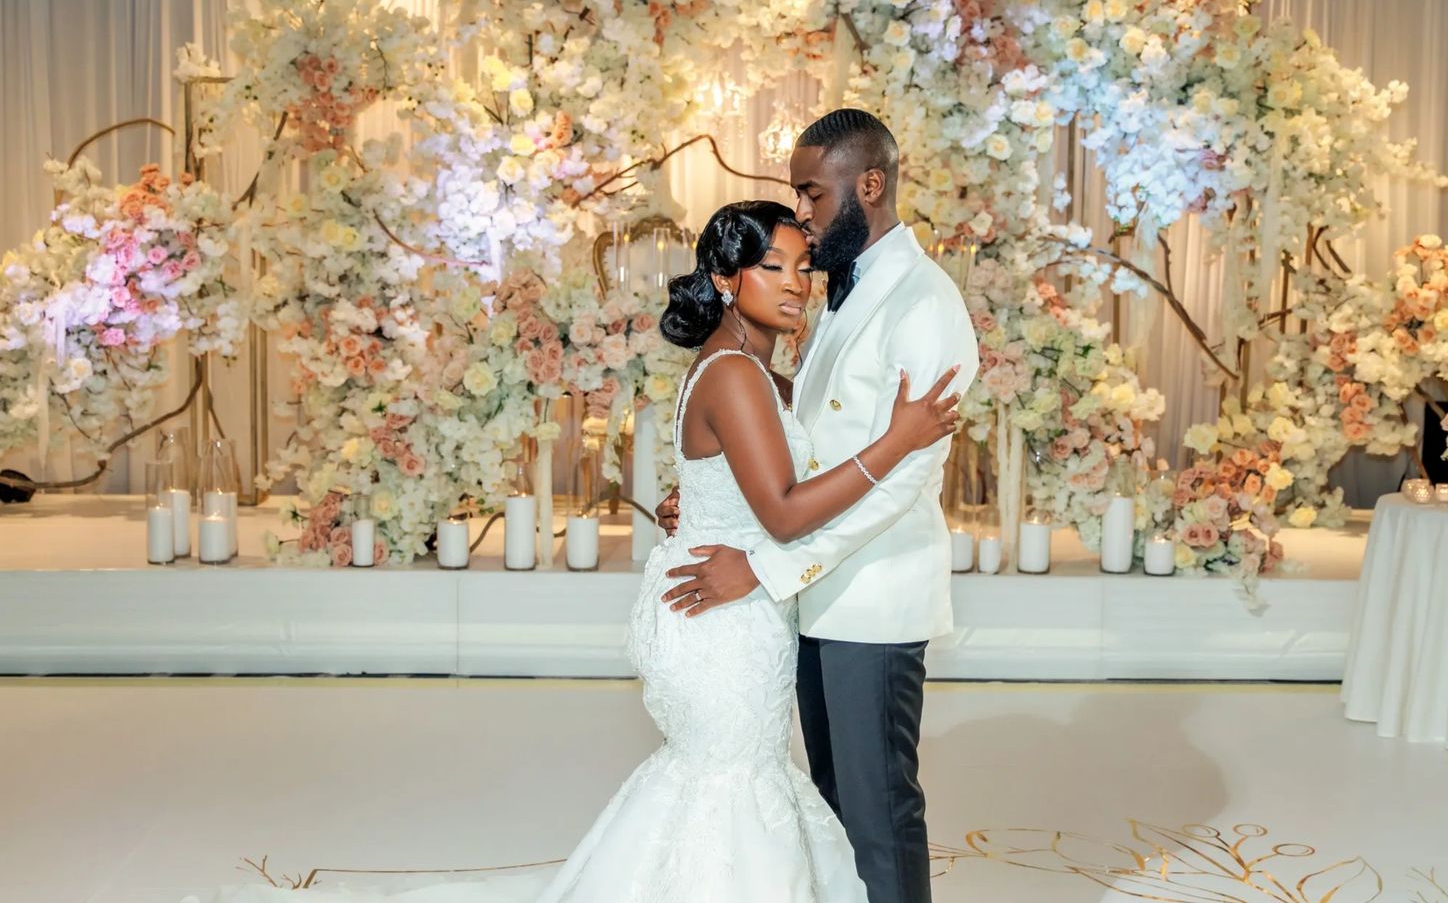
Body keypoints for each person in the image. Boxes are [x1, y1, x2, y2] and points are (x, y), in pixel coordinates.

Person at [205, 198, 961, 903]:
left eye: (804, 266)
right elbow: (789, 512)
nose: (798, 284)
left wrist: (699, 504)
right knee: (729, 787)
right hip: (721, 619)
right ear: (728, 280)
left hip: (732, 607)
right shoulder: (735, 375)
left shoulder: (756, 373)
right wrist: (901, 440)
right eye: (775, 268)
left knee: (724, 783)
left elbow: (754, 474)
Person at [656, 111, 980, 903]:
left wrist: (763, 566)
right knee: (831, 810)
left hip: (871, 596)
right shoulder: (836, 288)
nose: (802, 212)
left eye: (811, 192)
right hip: (810, 594)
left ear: (869, 184)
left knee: (878, 813)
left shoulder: (926, 306)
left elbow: (901, 483)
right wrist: (715, 494)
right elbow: (804, 426)